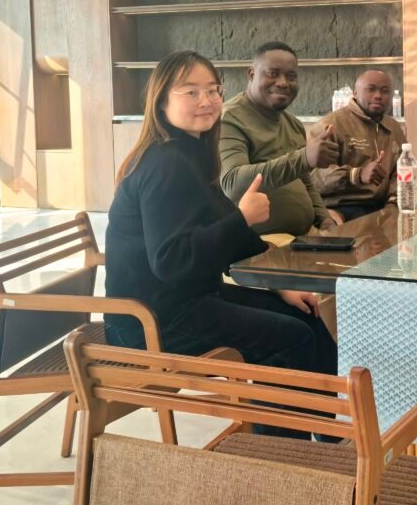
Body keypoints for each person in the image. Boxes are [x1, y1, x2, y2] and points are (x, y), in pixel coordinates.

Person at [103, 50, 336, 402]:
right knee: (292, 338)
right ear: (161, 101)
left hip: (188, 301)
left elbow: (221, 229)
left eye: (213, 90)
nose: (206, 101)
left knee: (303, 316)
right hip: (149, 323)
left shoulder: (191, 152)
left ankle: (325, 429)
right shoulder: (165, 163)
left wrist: (278, 286)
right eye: (191, 92)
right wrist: (242, 219)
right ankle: (282, 437)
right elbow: (171, 260)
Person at [219, 42, 338, 235]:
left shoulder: (293, 124)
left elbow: (305, 182)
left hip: (305, 238)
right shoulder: (229, 119)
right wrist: (304, 158)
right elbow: (232, 182)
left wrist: (325, 220)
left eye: (291, 76)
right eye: (273, 73)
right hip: (259, 245)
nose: (283, 83)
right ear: (251, 74)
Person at [310, 69, 407, 223]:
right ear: (355, 93)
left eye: (385, 91)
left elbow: (401, 172)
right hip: (340, 207)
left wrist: (392, 204)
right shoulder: (332, 124)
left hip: (382, 206)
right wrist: (357, 175)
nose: (378, 95)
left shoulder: (394, 128)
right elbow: (315, 178)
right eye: (371, 89)